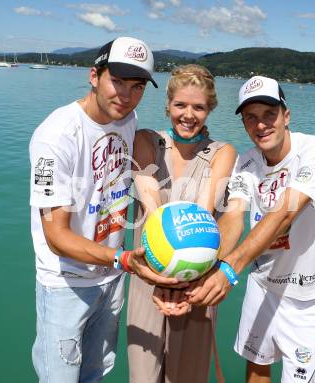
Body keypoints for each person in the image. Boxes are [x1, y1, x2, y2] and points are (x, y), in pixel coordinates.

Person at [29, 36, 181, 383]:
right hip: (67, 283)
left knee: (96, 374)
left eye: (137, 86)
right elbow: (56, 235)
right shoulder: (55, 138)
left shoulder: (127, 119)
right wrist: (125, 260)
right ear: (94, 76)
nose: (126, 96)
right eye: (118, 81)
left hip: (110, 280)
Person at [181, 75, 315, 382]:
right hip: (262, 283)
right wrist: (207, 266)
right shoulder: (246, 162)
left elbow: (284, 214)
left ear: (286, 115)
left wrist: (230, 270)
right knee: (256, 364)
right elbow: (233, 217)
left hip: (307, 294)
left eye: (269, 114)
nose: (261, 125)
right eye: (251, 118)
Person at [126, 64, 237, 383]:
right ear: (168, 105)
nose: (188, 114)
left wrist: (180, 285)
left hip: (197, 282)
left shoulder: (222, 153)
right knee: (143, 378)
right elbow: (151, 204)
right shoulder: (145, 140)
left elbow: (202, 216)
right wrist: (161, 283)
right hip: (146, 280)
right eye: (180, 105)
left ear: (210, 109)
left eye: (198, 107)